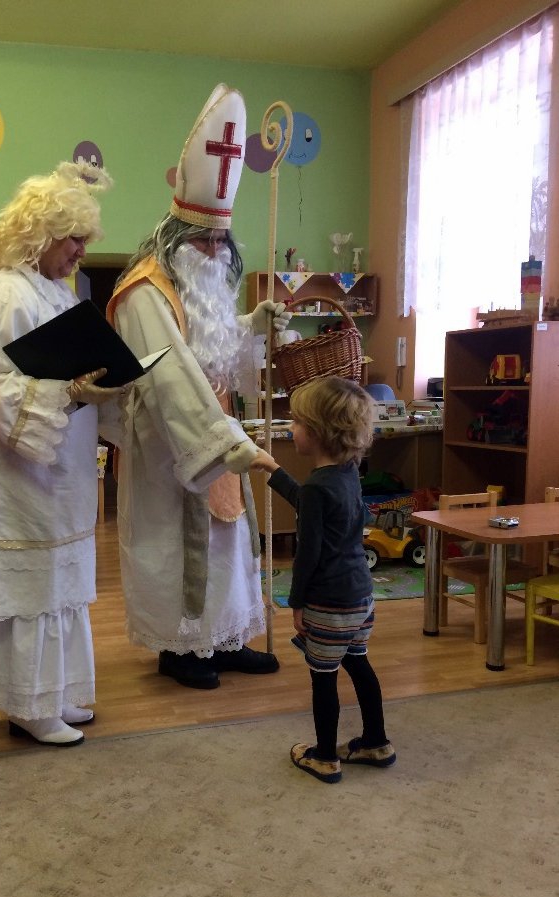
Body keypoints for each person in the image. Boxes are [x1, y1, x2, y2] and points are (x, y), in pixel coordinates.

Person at [105, 83, 292, 690]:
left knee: (228, 543)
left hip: (216, 435)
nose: (212, 252)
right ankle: (181, 648)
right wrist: (221, 440)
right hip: (171, 450)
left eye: (219, 242)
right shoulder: (144, 292)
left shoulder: (202, 283)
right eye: (201, 241)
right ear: (174, 237)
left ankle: (226, 637)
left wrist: (251, 325)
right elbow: (171, 375)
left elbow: (209, 343)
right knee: (178, 548)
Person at [0, 161, 120, 746]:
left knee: (58, 587)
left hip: (58, 474)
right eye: (73, 238)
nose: (81, 251)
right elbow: (0, 387)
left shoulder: (54, 292)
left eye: (84, 239)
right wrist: (70, 391)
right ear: (41, 233)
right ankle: (27, 704)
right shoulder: (3, 294)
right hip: (16, 478)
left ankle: (53, 692)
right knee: (31, 592)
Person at [250, 375, 396, 783]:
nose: (291, 428)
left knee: (324, 679)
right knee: (359, 664)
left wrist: (296, 603)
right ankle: (376, 742)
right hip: (360, 598)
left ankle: (325, 757)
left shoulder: (318, 486)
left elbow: (308, 555)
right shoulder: (347, 472)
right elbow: (313, 504)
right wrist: (273, 469)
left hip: (328, 604)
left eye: (296, 422)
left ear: (316, 432)